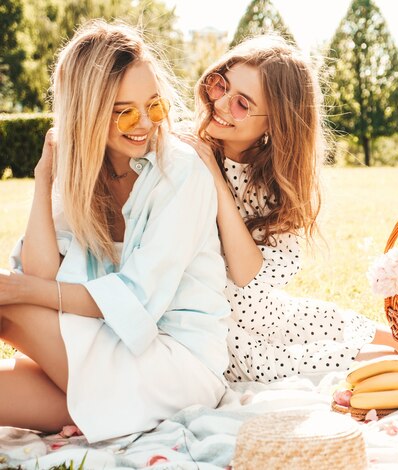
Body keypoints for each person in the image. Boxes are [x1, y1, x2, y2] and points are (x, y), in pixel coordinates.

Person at [0, 20, 229, 443]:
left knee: (7, 306)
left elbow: (135, 301)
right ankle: (99, 410)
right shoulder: (83, 174)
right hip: (109, 353)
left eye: (155, 106)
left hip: (176, 364)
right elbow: (41, 273)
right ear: (86, 113)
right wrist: (44, 180)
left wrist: (23, 293)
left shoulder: (180, 173)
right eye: (125, 111)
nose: (145, 123)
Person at [178, 35, 398, 384]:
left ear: (275, 123)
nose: (220, 103)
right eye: (219, 85)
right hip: (229, 333)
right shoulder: (186, 158)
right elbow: (243, 275)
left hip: (272, 314)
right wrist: (213, 177)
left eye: (241, 104)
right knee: (382, 359)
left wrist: (220, 185)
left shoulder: (269, 181)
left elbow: (259, 284)